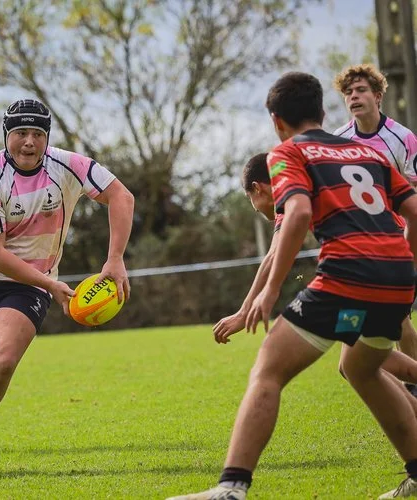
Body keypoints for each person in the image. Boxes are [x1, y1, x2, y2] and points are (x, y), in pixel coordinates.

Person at [168, 72, 417, 500]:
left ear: (276, 120)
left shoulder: (286, 153)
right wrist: (399, 264)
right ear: (323, 112)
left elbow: (298, 215)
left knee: (268, 370)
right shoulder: (367, 152)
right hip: (396, 279)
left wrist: (269, 291)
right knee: (361, 369)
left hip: (348, 274)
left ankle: (231, 487)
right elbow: (414, 210)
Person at [0, 99, 134, 477]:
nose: (29, 142)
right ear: (6, 136)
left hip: (29, 286)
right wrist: (52, 284)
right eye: (20, 133)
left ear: (47, 137)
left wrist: (115, 258)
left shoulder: (69, 165)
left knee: (3, 360)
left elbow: (121, 196)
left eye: (37, 134)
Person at [214, 153, 417, 408]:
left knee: (352, 361)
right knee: (355, 362)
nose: (254, 207)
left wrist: (244, 312)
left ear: (258, 187)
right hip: (390, 258)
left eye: (249, 199)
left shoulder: (288, 192)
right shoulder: (321, 171)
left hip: (368, 269)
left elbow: (274, 255)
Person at [333, 63, 417, 390]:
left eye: (361, 90)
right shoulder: (337, 141)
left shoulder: (403, 138)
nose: (354, 97)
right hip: (356, 248)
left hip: (396, 245)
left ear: (378, 96)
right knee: (350, 332)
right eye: (348, 92)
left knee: (400, 321)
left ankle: (409, 393)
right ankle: (403, 394)